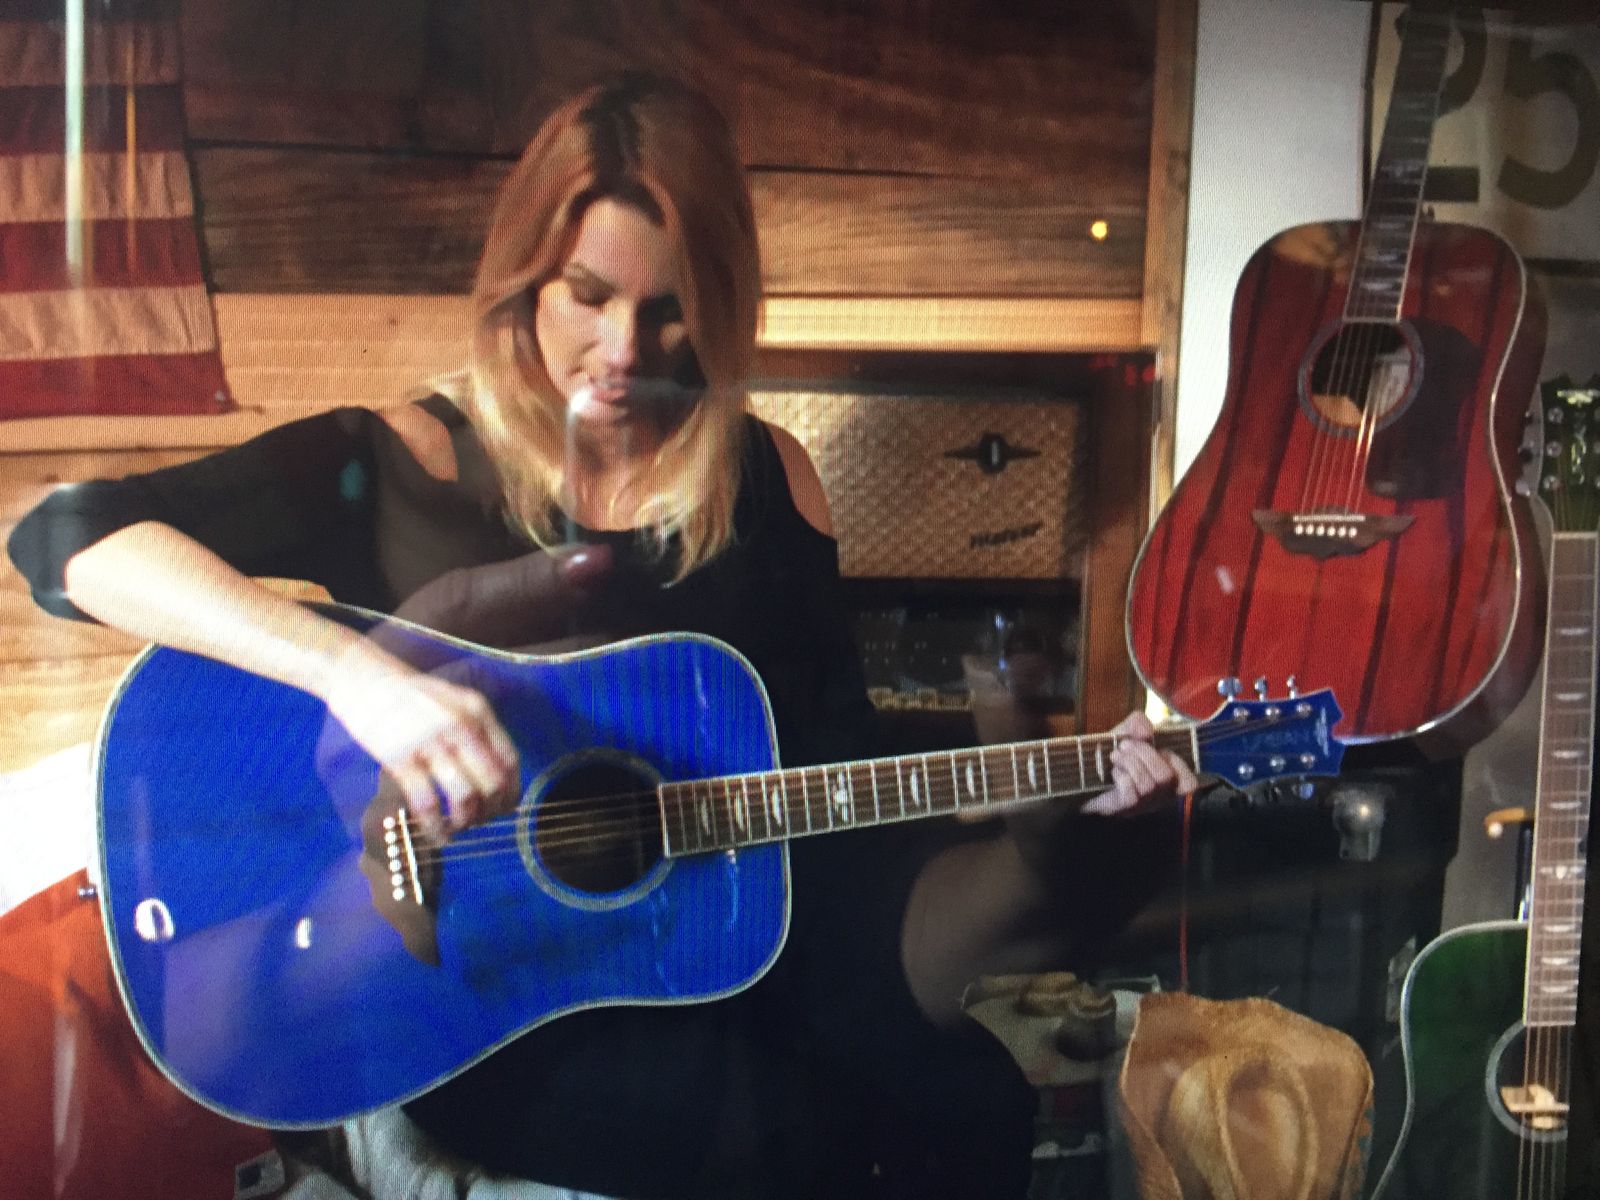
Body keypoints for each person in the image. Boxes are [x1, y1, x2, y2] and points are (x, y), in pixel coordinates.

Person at [8, 73, 1197, 1199]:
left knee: (967, 1106)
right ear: (524, 277)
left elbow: (838, 808)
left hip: (731, 958)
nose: (625, 350)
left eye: (667, 309)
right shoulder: (406, 461)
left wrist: (1042, 821)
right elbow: (63, 537)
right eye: (588, 294)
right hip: (496, 998)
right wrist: (359, 676)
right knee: (755, 1128)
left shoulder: (769, 479)